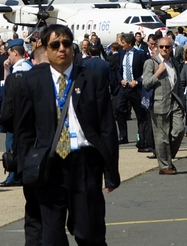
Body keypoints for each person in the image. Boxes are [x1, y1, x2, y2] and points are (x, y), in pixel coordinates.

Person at [18, 24, 120, 245]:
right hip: (49, 164)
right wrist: (25, 167)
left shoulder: (92, 78)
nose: (61, 48)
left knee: (89, 232)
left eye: (66, 43)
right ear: (46, 49)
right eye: (55, 44)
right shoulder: (32, 81)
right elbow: (24, 130)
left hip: (84, 163)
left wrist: (111, 170)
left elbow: (107, 127)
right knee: (52, 236)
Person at [0, 45, 48, 244]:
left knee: (33, 210)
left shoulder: (16, 80)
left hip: (28, 151)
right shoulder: (60, 79)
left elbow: (6, 116)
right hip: (55, 151)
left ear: (33, 61)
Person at [142, 36, 184, 175]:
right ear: (158, 48)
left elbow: (178, 85)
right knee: (161, 136)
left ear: (172, 48)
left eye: (167, 47)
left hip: (175, 102)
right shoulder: (151, 62)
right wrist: (158, 72)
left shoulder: (175, 63)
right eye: (162, 47)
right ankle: (165, 165)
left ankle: (167, 158)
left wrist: (182, 104)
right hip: (159, 103)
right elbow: (146, 82)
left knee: (179, 130)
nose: (164, 49)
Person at [116, 32, 152, 150]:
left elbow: (145, 71)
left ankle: (141, 139)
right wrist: (121, 79)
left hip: (135, 88)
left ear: (129, 43)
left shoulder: (140, 55)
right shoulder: (121, 53)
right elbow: (118, 69)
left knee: (140, 114)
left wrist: (136, 81)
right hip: (124, 87)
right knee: (119, 109)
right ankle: (123, 135)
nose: (121, 45)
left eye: (123, 43)